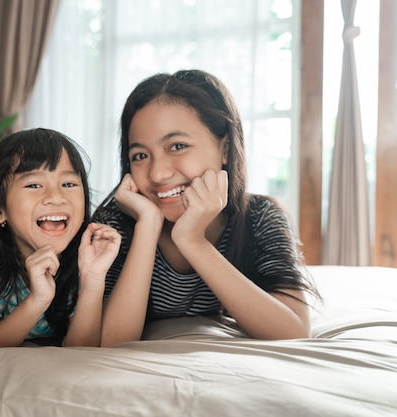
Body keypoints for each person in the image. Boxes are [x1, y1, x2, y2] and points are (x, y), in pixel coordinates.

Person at [93, 69, 320, 347]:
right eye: (140, 155)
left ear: (224, 148)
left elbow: (293, 330)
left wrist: (192, 241)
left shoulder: (260, 217)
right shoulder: (116, 224)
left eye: (177, 146)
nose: (157, 174)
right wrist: (148, 226)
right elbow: (110, 343)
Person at [0, 128, 121, 349]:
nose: (56, 197)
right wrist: (37, 300)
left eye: (68, 184)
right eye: (34, 185)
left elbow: (80, 349)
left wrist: (93, 279)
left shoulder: (85, 256)